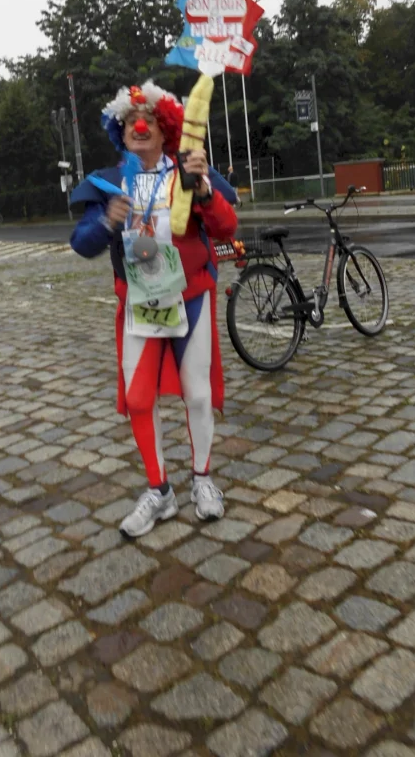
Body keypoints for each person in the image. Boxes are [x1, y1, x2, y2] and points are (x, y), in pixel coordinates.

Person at [70, 81, 238, 539]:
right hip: (140, 303)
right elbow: (81, 244)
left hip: (189, 298)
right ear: (120, 132)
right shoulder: (110, 184)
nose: (138, 127)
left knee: (197, 394)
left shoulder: (188, 172)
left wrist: (203, 189)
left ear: (165, 130)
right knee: (139, 398)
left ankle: (203, 480)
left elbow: (226, 227)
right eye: (128, 122)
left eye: (147, 121)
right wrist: (108, 221)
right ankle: (160, 492)